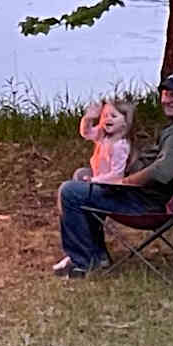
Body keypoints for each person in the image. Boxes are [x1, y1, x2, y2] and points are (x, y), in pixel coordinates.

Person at [52, 72, 173, 279]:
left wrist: (124, 182)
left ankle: (83, 261)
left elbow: (163, 170)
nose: (166, 100)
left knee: (69, 191)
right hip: (160, 197)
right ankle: (97, 254)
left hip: (150, 205)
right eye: (165, 94)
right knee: (82, 175)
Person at [52, 98, 134, 272]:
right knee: (79, 174)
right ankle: (88, 251)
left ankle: (82, 255)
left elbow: (117, 175)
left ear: (125, 122)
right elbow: (86, 132)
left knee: (72, 190)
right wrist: (89, 118)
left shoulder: (120, 145)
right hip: (98, 182)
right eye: (104, 116)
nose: (107, 119)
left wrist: (94, 181)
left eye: (113, 116)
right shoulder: (102, 135)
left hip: (111, 189)